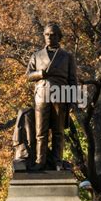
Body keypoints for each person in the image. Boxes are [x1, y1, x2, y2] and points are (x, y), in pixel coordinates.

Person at [26, 22, 78, 171]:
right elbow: (28, 75)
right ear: (44, 36)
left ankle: (57, 161)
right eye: (47, 34)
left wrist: (73, 101)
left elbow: (73, 80)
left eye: (53, 34)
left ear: (59, 37)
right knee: (40, 131)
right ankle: (40, 161)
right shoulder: (36, 55)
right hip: (42, 94)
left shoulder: (67, 56)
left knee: (58, 131)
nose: (50, 37)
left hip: (60, 94)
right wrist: (40, 74)